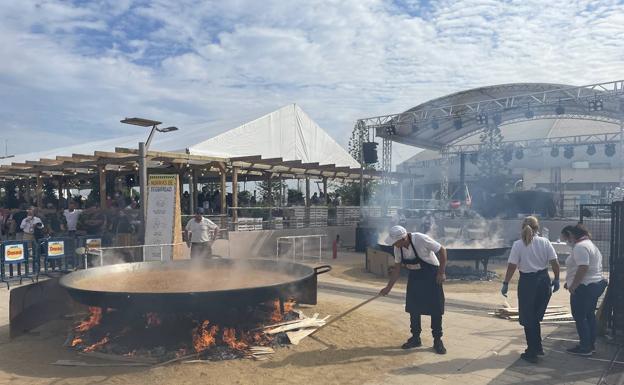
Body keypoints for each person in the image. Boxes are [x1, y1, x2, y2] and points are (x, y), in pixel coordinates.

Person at [380, 225, 448, 354]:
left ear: (404, 238)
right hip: (415, 277)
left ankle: (437, 340)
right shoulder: (398, 249)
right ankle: (415, 338)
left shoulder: (421, 239)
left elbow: (442, 250)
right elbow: (397, 269)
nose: (394, 245)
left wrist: (441, 272)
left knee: (435, 308)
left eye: (396, 242)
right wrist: (388, 288)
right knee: (413, 308)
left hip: (431, 275)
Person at [501, 216, 560, 364]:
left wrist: (506, 283)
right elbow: (555, 262)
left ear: (522, 227)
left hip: (528, 283)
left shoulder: (518, 245)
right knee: (535, 317)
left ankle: (532, 352)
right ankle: (537, 347)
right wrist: (557, 279)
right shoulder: (545, 242)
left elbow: (512, 266)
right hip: (544, 281)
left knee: (529, 318)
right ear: (537, 228)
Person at [560, 224, 608, 356]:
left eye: (566, 238)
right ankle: (590, 344)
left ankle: (585, 347)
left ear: (571, 234)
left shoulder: (580, 247)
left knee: (580, 317)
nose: (567, 241)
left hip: (584, 287)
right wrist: (569, 282)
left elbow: (583, 267)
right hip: (593, 285)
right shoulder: (589, 244)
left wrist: (574, 285)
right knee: (589, 316)